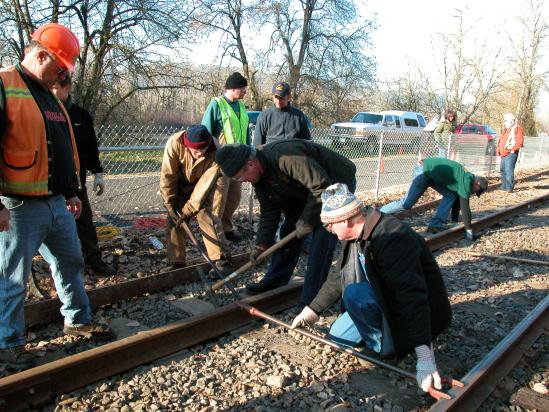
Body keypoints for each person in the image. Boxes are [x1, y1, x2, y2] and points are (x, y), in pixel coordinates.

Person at [0, 23, 114, 370]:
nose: (62, 73)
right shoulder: (5, 85)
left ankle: (78, 321)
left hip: (55, 202)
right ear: (40, 55)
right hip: (18, 205)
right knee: (12, 276)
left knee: (70, 263)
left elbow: (62, 147)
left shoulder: (50, 95)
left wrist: (72, 191)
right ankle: (9, 343)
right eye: (60, 66)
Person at [290, 183, 452, 394]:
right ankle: (384, 337)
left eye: (330, 224)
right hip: (382, 299)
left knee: (354, 294)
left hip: (417, 312)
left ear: (346, 220)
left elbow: (412, 297)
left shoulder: (393, 237)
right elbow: (337, 276)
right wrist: (311, 311)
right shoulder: (356, 234)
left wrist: (424, 355)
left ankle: (386, 349)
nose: (328, 229)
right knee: (339, 336)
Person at [215, 140, 356, 307]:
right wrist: (262, 244)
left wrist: (307, 222)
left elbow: (321, 187)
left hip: (334, 183)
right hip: (304, 190)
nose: (241, 181)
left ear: (251, 164)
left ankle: (311, 301)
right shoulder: (259, 177)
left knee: (321, 240)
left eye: (238, 177)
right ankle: (274, 282)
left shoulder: (286, 157)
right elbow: (269, 210)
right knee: (289, 231)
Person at [51, 74, 115, 276]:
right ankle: (56, 269)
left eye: (54, 88)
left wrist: (97, 172)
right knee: (51, 229)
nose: (50, 93)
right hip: (51, 186)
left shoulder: (80, 116)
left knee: (85, 224)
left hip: (77, 183)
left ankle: (94, 260)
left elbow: (90, 147)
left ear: (66, 88)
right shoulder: (43, 113)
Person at [160, 125, 234, 275]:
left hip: (204, 183)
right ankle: (176, 262)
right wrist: (169, 203)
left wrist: (188, 210)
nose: (200, 153)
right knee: (174, 218)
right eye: (196, 150)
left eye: (203, 149)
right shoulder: (174, 143)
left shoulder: (216, 151)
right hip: (180, 183)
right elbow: (168, 176)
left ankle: (222, 259)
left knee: (205, 215)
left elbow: (203, 187)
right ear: (187, 146)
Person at [380, 157, 488, 238]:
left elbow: (459, 200)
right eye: (476, 191)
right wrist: (469, 231)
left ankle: (435, 225)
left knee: (451, 195)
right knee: (406, 204)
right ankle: (377, 213)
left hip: (432, 175)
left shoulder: (467, 178)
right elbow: (465, 207)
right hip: (424, 171)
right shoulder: (467, 180)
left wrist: (454, 221)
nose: (473, 193)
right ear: (477, 184)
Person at [201, 72, 249, 243]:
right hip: (221, 160)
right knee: (219, 198)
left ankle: (227, 227)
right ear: (234, 88)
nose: (245, 91)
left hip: (239, 160)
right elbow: (204, 132)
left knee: (234, 196)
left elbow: (246, 133)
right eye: (243, 88)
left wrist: (248, 155)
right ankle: (214, 233)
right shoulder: (216, 104)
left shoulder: (242, 106)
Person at [253, 81, 311, 146]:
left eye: (281, 98)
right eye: (276, 97)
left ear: (289, 97)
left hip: (293, 154)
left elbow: (307, 142)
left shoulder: (299, 116)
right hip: (271, 155)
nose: (278, 101)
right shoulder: (264, 116)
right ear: (272, 97)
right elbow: (257, 144)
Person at [497, 113, 524, 193]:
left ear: (512, 121)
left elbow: (520, 142)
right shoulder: (505, 130)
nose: (504, 122)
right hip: (503, 154)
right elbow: (501, 140)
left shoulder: (517, 129)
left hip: (510, 154)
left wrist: (513, 150)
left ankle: (509, 187)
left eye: (506, 121)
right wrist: (499, 150)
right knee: (502, 170)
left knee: (509, 170)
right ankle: (504, 186)